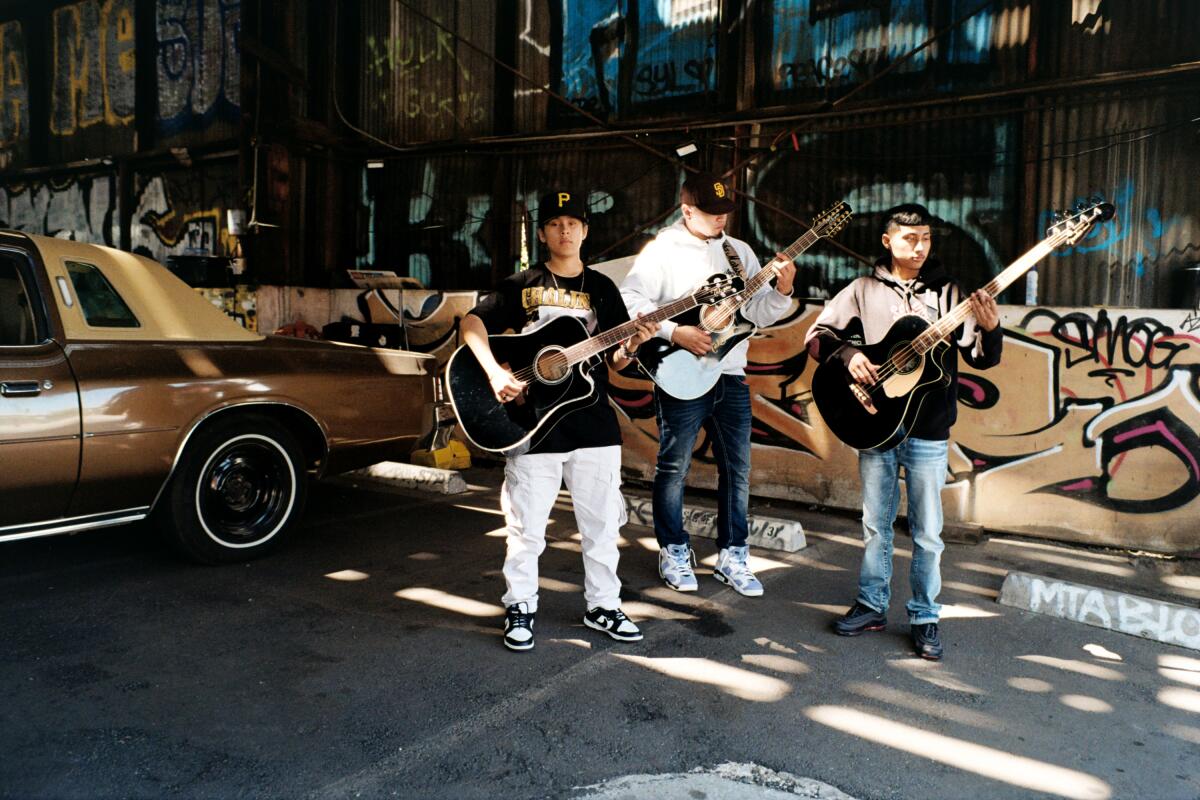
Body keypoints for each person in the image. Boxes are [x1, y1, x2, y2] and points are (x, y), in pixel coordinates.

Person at [460, 189, 659, 652]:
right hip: (532, 421)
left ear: (586, 231)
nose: (565, 230)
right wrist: (493, 371)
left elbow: (618, 365)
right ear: (543, 233)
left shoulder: (603, 290)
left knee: (602, 525)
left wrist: (632, 345)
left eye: (573, 223)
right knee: (527, 528)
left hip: (593, 423)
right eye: (555, 223)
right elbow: (470, 323)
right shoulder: (520, 284)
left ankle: (603, 605)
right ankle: (521, 605)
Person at [804, 203, 1003, 660]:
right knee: (876, 525)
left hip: (929, 430)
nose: (919, 247)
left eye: (927, 239)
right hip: (874, 422)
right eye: (910, 239)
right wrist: (847, 356)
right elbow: (818, 336)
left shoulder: (952, 293)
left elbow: (981, 358)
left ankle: (925, 615)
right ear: (887, 240)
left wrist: (990, 330)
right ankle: (872, 605)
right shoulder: (862, 290)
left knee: (928, 530)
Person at [619, 172, 795, 597]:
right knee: (674, 466)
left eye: (725, 213)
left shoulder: (740, 253)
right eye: (711, 213)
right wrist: (673, 333)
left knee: (738, 469)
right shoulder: (661, 251)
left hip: (731, 373)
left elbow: (758, 313)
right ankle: (674, 549)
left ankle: (734, 554)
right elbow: (631, 300)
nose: (720, 220)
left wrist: (784, 289)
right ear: (687, 211)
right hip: (679, 370)